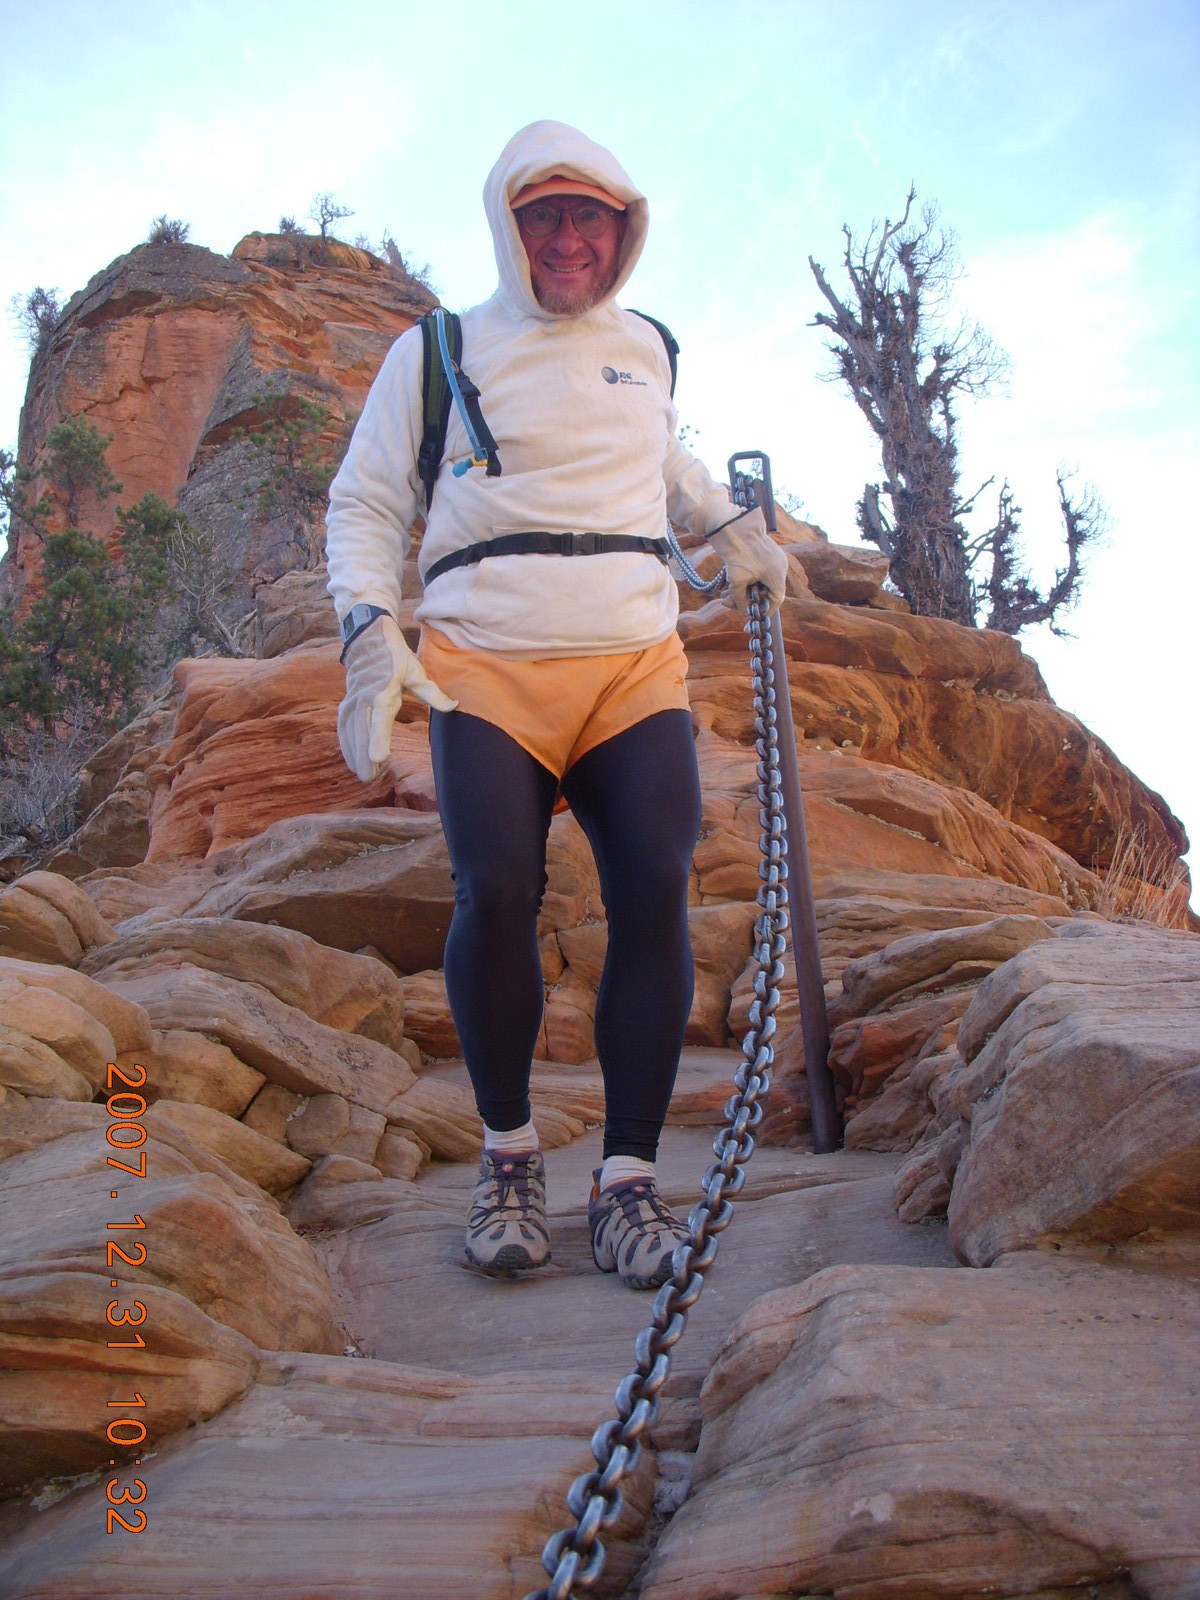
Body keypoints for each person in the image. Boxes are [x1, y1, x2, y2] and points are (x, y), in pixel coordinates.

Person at [325, 120, 788, 1290]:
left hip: (632, 661)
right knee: (496, 888)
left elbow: (660, 460)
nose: (570, 240)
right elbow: (367, 500)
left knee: (655, 886)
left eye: (591, 217)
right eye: (545, 217)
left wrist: (724, 526)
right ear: (507, 225)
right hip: (486, 658)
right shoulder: (439, 349)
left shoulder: (648, 347)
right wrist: (369, 628)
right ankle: (509, 1155)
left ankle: (627, 1180)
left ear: (625, 230)